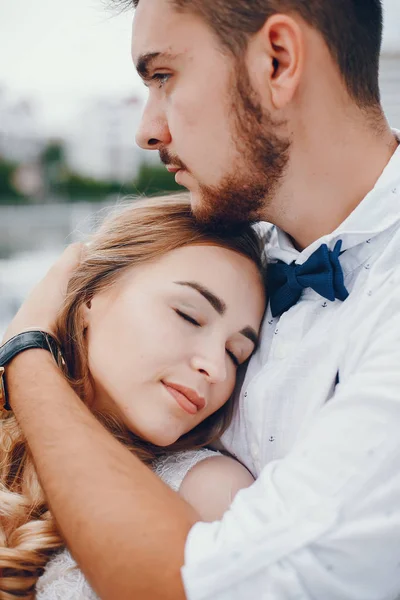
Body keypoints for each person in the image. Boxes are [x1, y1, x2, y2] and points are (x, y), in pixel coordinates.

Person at [1, 0, 400, 599]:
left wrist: (27, 352)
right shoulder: (232, 258)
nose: (146, 131)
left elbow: (204, 584)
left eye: (164, 76)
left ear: (278, 59)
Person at [0, 195, 266, 598]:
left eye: (236, 353)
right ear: (91, 296)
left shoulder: (210, 493)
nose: (216, 367)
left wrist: (26, 348)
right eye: (189, 316)